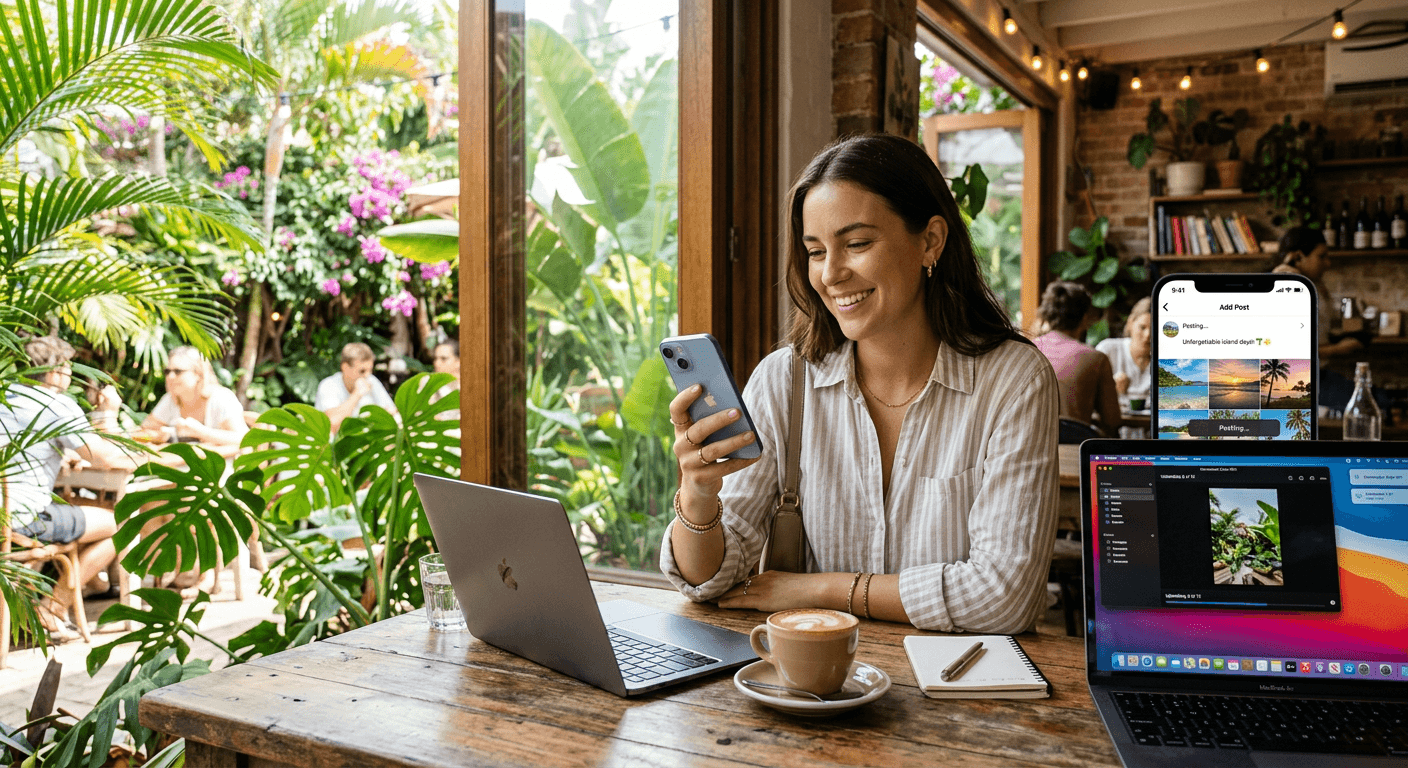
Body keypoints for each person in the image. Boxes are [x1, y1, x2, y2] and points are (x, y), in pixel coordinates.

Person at [661, 133, 1059, 634]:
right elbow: (711, 579)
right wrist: (698, 494)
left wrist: (822, 589)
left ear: (930, 241)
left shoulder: (1014, 381)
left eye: (857, 244)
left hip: (957, 678)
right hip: (812, 672)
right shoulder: (784, 381)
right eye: (815, 251)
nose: (830, 274)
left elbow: (1005, 596)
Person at [0, 336, 136, 638]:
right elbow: (104, 458)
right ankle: (53, 607)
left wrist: (59, 454)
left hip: (3, 515)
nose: (71, 373)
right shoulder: (54, 404)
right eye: (68, 367)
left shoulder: (6, 394)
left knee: (94, 511)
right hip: (22, 520)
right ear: (55, 372)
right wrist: (108, 413)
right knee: (121, 521)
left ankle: (85, 589)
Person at [1271, 227, 1365, 412]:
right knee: (1370, 401)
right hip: (1295, 380)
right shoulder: (1286, 286)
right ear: (1298, 256)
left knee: (1369, 397)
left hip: (1312, 375)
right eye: (1321, 256)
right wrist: (1337, 349)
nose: (1328, 263)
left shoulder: (1304, 283)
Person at [1033, 281, 1123, 437]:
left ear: (1046, 315)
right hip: (1075, 447)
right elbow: (1112, 420)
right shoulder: (1096, 358)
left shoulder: (1028, 350)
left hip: (1030, 445)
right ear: (1085, 318)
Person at [140, 346, 248, 446]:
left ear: (198, 374)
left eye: (178, 371)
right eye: (167, 371)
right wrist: (162, 435)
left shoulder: (221, 397)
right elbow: (144, 429)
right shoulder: (171, 399)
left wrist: (199, 432)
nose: (170, 376)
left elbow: (243, 439)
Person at [1096, 297, 1153, 438]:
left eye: (1154, 329)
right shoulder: (1108, 349)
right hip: (1112, 437)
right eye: (1142, 327)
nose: (1148, 335)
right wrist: (1111, 390)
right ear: (1130, 323)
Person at [314, 342, 398, 432]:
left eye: (370, 370)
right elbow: (332, 424)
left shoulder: (371, 380)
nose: (367, 375)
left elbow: (391, 411)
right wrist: (357, 394)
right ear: (345, 367)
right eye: (362, 371)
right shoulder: (329, 385)